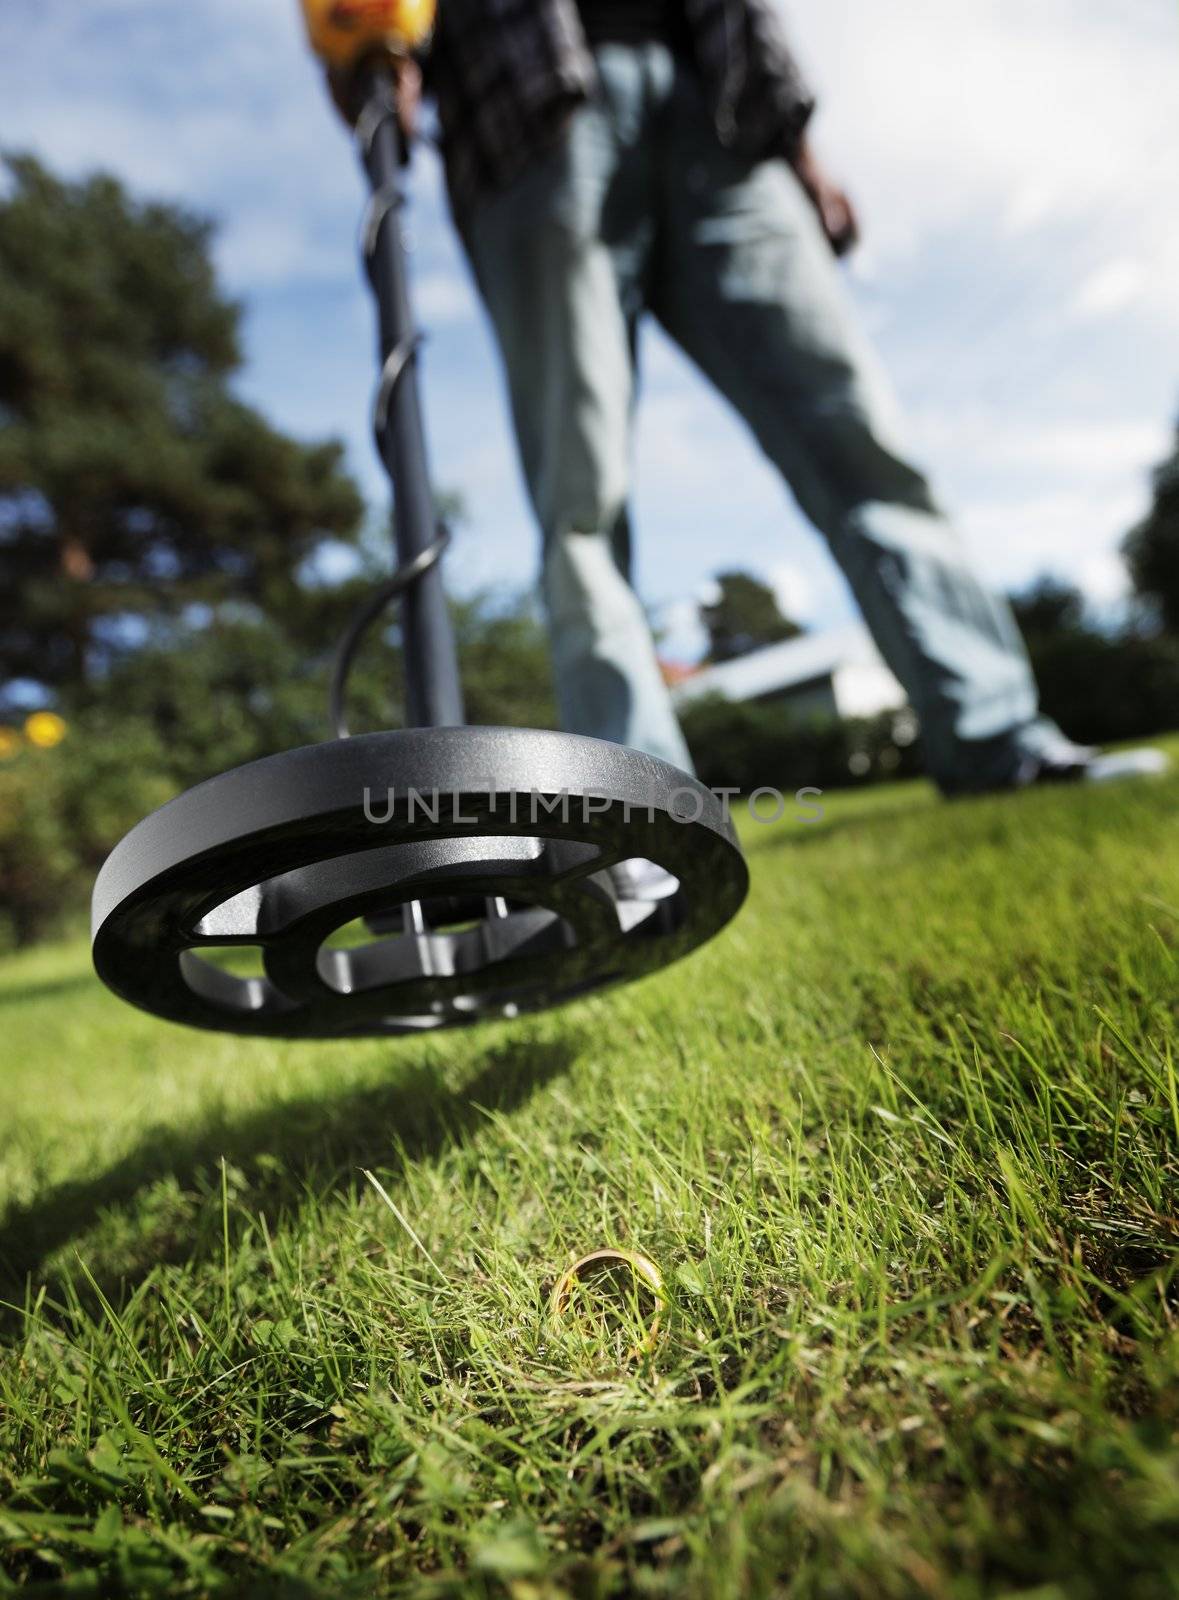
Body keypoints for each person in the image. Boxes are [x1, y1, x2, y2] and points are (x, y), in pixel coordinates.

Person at [336, 0, 1162, 794]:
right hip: (524, 120)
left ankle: (996, 746)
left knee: (859, 437)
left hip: (725, 113)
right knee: (580, 499)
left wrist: (802, 149)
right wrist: (369, 51)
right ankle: (641, 813)